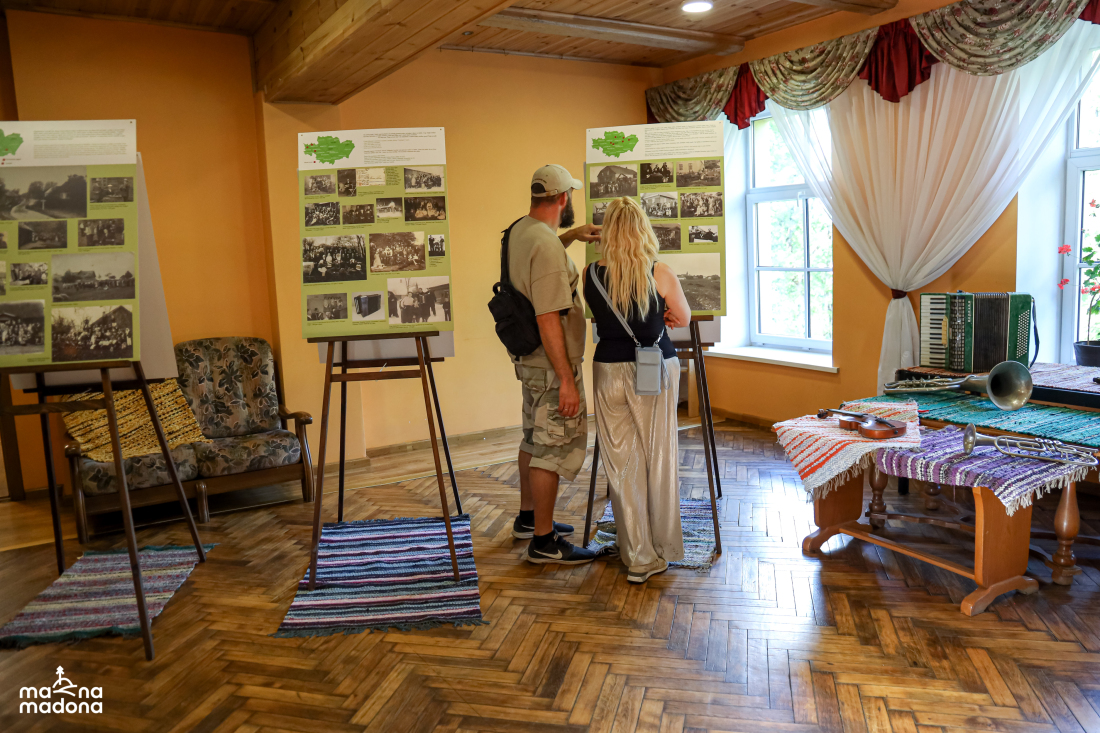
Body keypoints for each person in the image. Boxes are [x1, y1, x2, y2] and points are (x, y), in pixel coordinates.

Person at [582, 196, 691, 584]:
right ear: (643, 228)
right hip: (653, 369)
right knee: (658, 457)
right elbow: (682, 317)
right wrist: (661, 315)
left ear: (607, 232)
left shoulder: (590, 274)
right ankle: (663, 547)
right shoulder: (659, 272)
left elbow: (601, 317)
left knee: (621, 464)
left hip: (607, 371)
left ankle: (638, 557)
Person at [506, 164, 601, 565]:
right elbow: (548, 317)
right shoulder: (545, 245)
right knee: (551, 449)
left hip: (530, 361)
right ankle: (544, 542)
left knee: (533, 438)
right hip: (550, 365)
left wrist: (571, 236)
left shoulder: (521, 230)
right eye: (571, 195)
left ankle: (528, 519)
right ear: (563, 198)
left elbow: (541, 255)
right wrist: (566, 379)